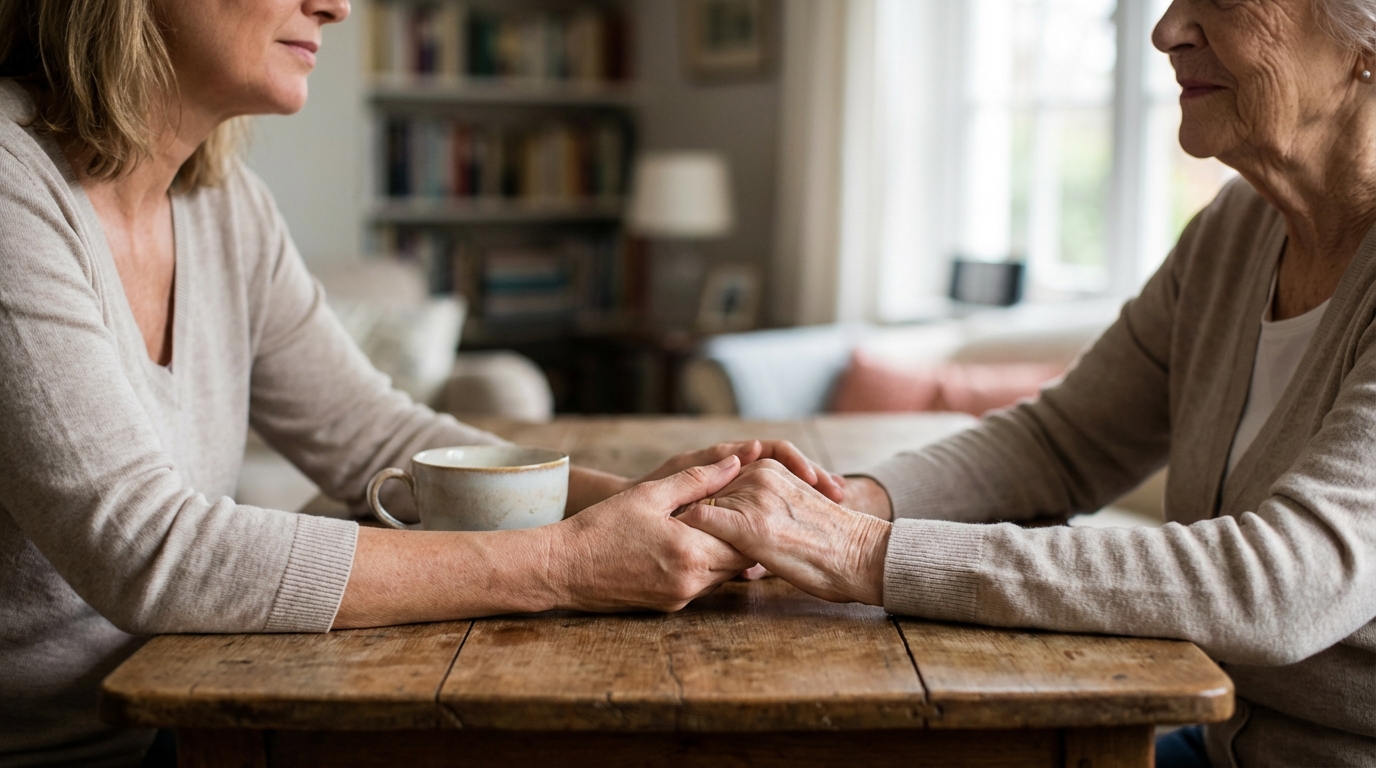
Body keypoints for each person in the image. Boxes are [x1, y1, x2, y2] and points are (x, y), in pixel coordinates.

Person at [0, 1, 845, 765]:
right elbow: (149, 551)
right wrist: (565, 563)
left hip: (166, 723)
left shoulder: (224, 205)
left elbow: (377, 438)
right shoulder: (11, 184)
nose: (336, 7)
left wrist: (647, 501)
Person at [678, 1, 1376, 766]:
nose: (1166, 30)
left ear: (1366, 49)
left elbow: (1284, 585)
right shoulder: (1236, 231)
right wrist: (836, 504)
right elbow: (1060, 444)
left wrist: (860, 550)